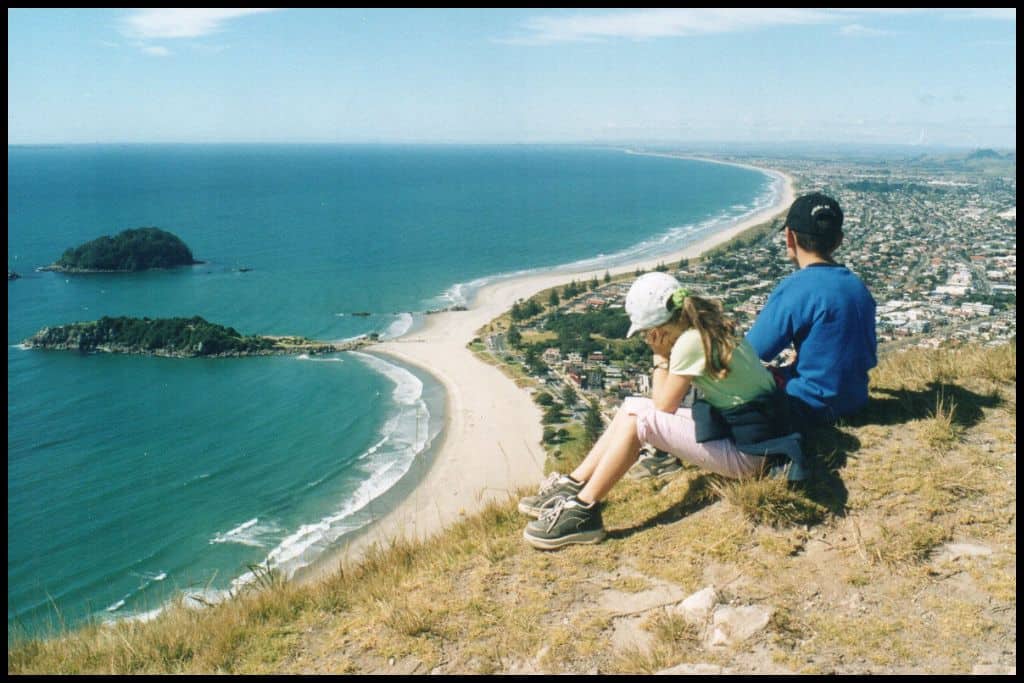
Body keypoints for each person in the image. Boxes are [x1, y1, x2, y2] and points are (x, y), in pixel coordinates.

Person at [520, 272, 804, 550]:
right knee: (632, 405)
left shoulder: (689, 344)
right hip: (759, 441)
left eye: (646, 335)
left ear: (657, 330)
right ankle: (575, 483)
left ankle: (584, 511)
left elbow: (663, 406)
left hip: (750, 459)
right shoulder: (709, 326)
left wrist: (659, 359)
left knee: (641, 420)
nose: (646, 339)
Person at [746, 192, 877, 434]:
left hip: (809, 406)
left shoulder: (798, 287)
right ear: (838, 240)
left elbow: (751, 351)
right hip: (855, 400)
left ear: (789, 237)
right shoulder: (858, 286)